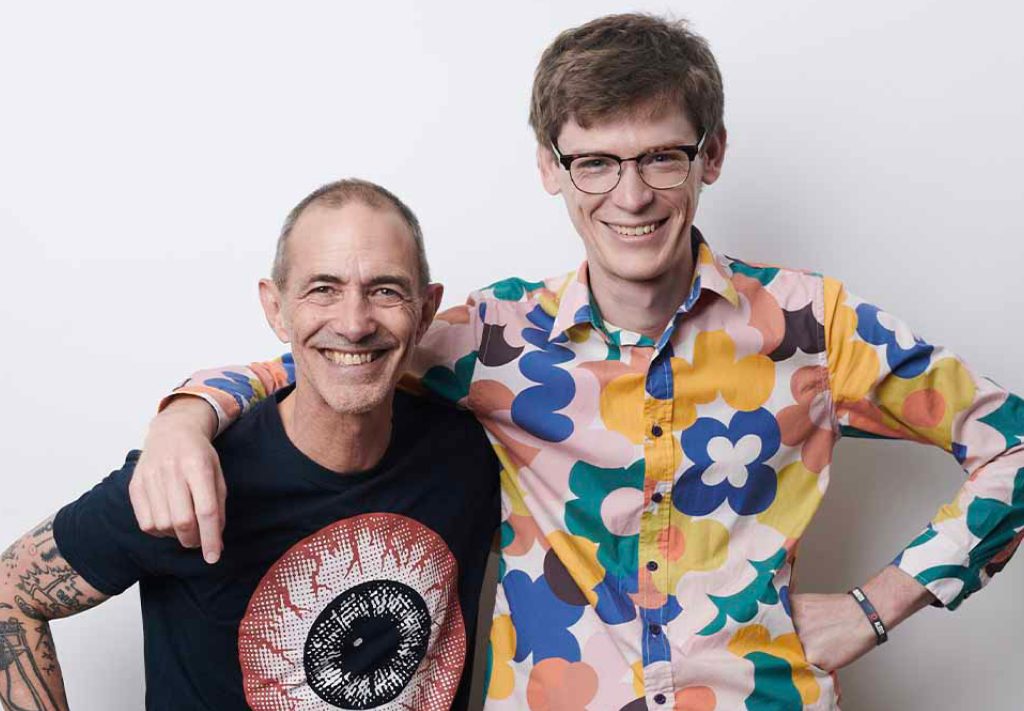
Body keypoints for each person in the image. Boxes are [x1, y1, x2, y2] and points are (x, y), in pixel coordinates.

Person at [131, 13, 1024, 711]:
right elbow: (340, 352)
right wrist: (187, 414)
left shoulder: (811, 325)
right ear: (550, 168)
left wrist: (877, 607)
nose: (630, 196)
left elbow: (1012, 444)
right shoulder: (495, 339)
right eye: (595, 162)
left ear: (712, 155)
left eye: (661, 158)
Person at [0, 179, 500, 711]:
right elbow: (12, 594)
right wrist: (182, 418)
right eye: (323, 289)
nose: (354, 324)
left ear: (425, 311)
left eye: (385, 291)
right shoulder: (188, 476)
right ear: (276, 308)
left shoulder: (470, 456)